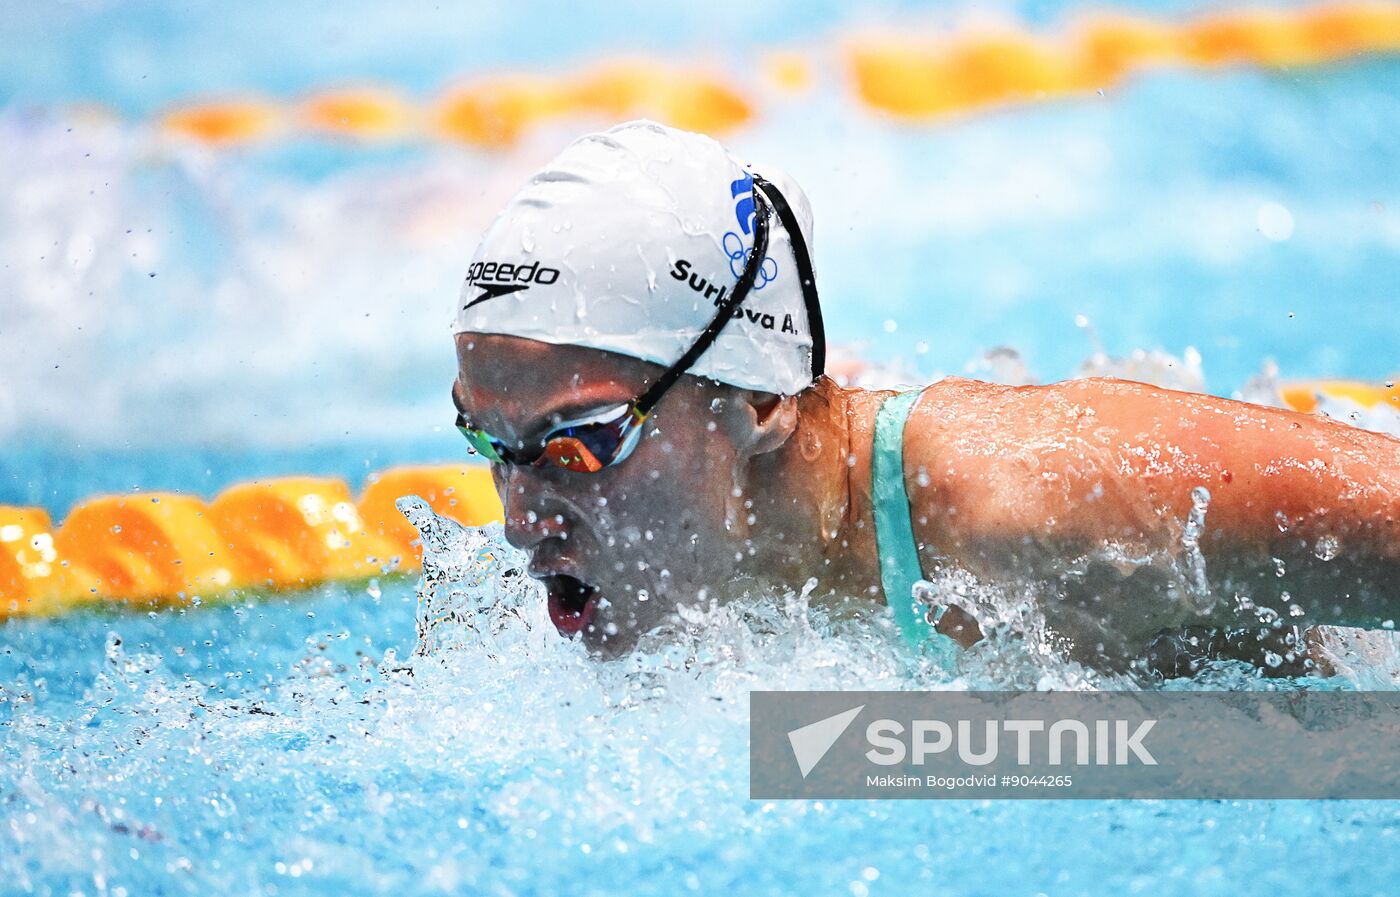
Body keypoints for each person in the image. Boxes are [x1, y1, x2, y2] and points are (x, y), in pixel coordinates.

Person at [448, 120, 1400, 672]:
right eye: (490, 445)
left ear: (760, 401)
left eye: (578, 442)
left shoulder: (1039, 500)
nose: (521, 521)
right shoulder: (709, 582)